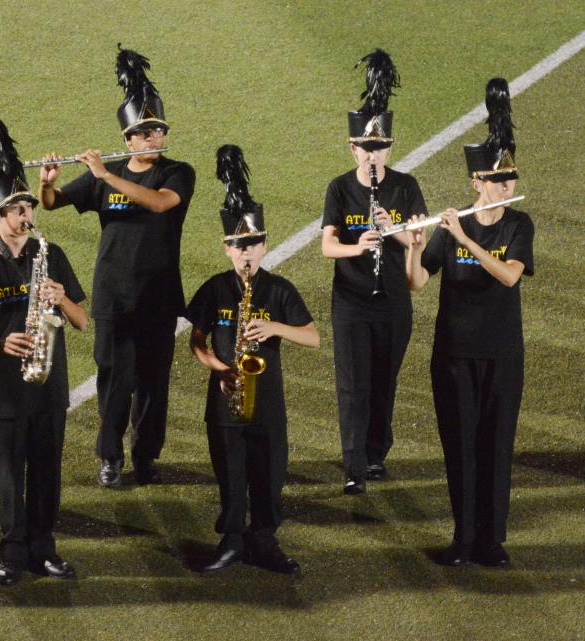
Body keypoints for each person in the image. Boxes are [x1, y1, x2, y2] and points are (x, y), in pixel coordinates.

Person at [39, 46, 195, 488]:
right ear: (127, 139)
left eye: (157, 131)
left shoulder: (178, 172)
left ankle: (146, 457)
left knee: (152, 383)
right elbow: (51, 205)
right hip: (113, 294)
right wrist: (46, 183)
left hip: (159, 295)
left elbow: (160, 204)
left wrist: (107, 177)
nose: (153, 139)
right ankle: (110, 457)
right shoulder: (99, 175)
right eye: (144, 134)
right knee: (114, 380)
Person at [0, 109, 87, 586]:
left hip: (49, 386)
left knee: (47, 475)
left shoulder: (49, 255)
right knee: (10, 478)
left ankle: (43, 549)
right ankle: (11, 554)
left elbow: (82, 321)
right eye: (17, 210)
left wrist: (61, 297)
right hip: (6, 391)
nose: (27, 216)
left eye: (29, 208)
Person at [407, 79, 534, 567]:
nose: (506, 187)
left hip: (502, 354)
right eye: (497, 180)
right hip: (454, 356)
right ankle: (463, 538)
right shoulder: (452, 225)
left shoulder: (518, 226)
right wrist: (416, 247)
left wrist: (465, 237)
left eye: (510, 179)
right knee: (460, 447)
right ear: (475, 182)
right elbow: (418, 282)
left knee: (496, 447)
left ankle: (491, 541)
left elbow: (508, 277)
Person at [187, 145, 319, 575]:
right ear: (226, 248)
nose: (246, 252)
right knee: (230, 474)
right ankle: (232, 540)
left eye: (253, 244)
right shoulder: (213, 289)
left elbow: (313, 337)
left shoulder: (279, 290)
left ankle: (264, 540)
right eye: (238, 245)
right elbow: (197, 342)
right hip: (225, 400)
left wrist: (275, 328)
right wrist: (219, 369)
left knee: (267, 474)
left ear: (265, 245)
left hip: (267, 404)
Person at [321, 49, 426, 495]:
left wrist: (393, 228)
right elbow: (327, 246)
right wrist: (355, 245)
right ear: (352, 148)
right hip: (351, 301)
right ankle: (353, 464)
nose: (372, 154)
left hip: (393, 302)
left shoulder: (405, 186)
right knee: (353, 384)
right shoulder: (339, 189)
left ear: (390, 147)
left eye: (379, 146)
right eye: (365, 147)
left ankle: (376, 452)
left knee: (384, 381)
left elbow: (421, 241)